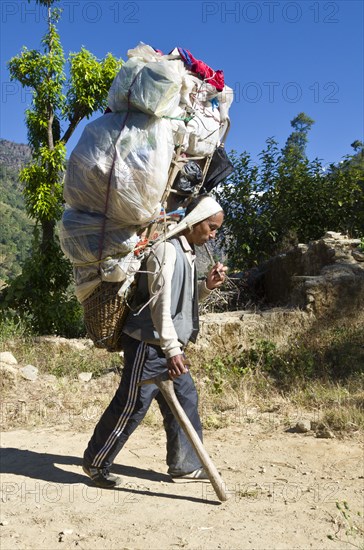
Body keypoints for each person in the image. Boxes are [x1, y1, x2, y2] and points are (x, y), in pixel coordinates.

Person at [82, 195, 227, 488]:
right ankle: (96, 462)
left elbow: (180, 301)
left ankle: (184, 466)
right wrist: (172, 350)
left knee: (185, 400)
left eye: (216, 230)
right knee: (132, 404)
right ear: (195, 222)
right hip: (149, 345)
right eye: (211, 227)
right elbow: (158, 306)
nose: (213, 234)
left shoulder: (187, 253)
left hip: (168, 347)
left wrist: (207, 287)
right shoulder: (166, 251)